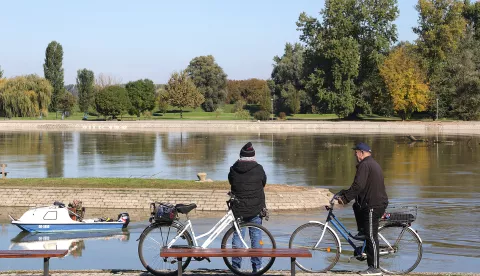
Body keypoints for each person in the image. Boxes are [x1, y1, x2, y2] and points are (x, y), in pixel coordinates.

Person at [337, 142, 388, 276]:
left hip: (373, 204)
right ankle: (362, 233)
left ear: (362, 153)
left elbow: (358, 186)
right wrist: (345, 193)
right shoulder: (371, 163)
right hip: (371, 202)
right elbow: (358, 186)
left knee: (371, 236)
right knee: (356, 206)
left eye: (356, 153)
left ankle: (375, 268)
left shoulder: (365, 165)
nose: (355, 155)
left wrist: (345, 199)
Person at [228, 142, 267, 272]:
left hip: (238, 209)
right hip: (256, 209)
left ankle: (236, 267)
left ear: (241, 155)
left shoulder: (233, 169)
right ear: (253, 156)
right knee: (256, 236)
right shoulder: (259, 168)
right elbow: (263, 182)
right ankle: (257, 267)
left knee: (238, 236)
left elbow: (231, 181)